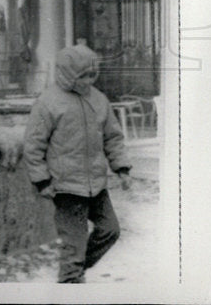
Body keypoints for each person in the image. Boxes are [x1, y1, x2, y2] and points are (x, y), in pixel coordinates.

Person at [23, 43, 133, 283]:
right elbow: (34, 145)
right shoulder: (48, 102)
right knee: (74, 245)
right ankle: (70, 279)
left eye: (93, 75)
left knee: (110, 230)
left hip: (96, 184)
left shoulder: (99, 99)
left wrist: (121, 168)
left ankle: (75, 269)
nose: (89, 81)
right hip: (66, 188)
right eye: (84, 76)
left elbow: (112, 137)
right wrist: (41, 181)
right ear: (68, 74)